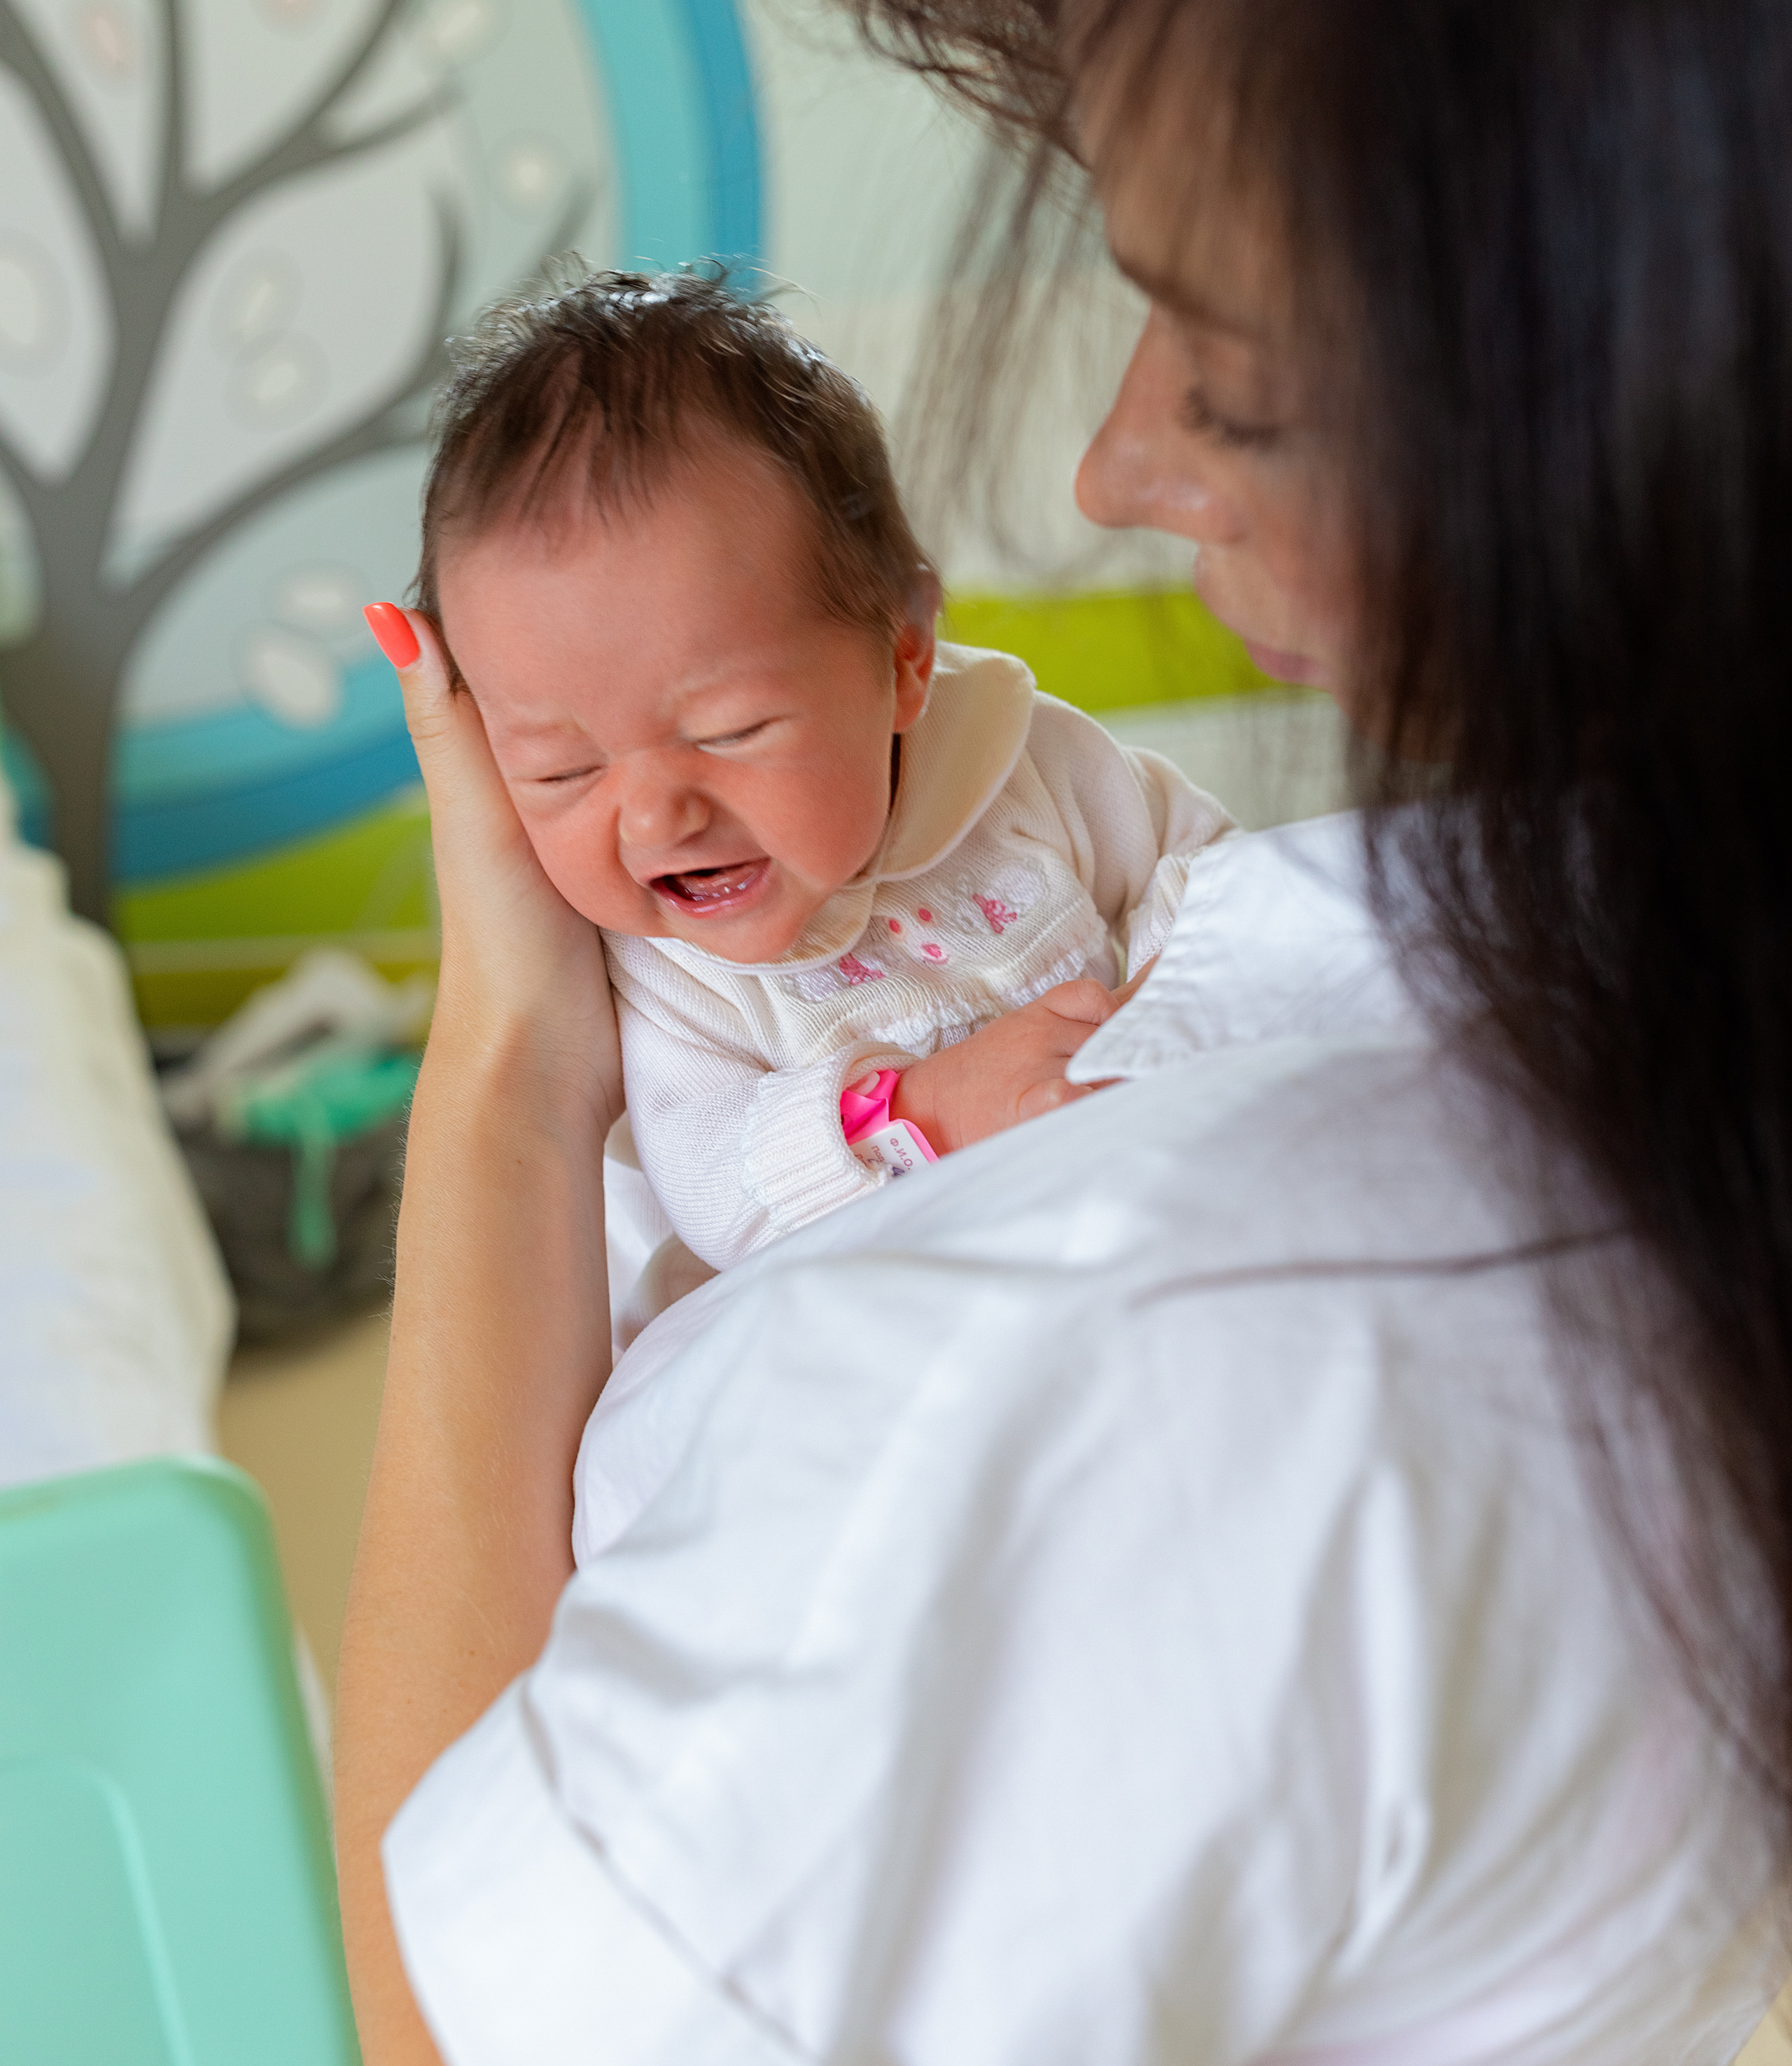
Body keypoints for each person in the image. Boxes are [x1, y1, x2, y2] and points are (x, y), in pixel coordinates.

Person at [335, 0, 1792, 2066]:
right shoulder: (1523, 978)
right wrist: (578, 1047)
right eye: (548, 757)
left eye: (1217, 349)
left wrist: (500, 1058)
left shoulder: (1208, 1355)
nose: (1119, 462)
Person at [386, 268, 1229, 1312]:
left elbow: (1211, 869)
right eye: (564, 770)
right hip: (841, 1321)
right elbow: (713, 1184)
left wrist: (1162, 1009)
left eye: (729, 731)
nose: (655, 819)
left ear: (906, 652)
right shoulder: (658, 969)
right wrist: (913, 1107)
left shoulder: (1024, 765)